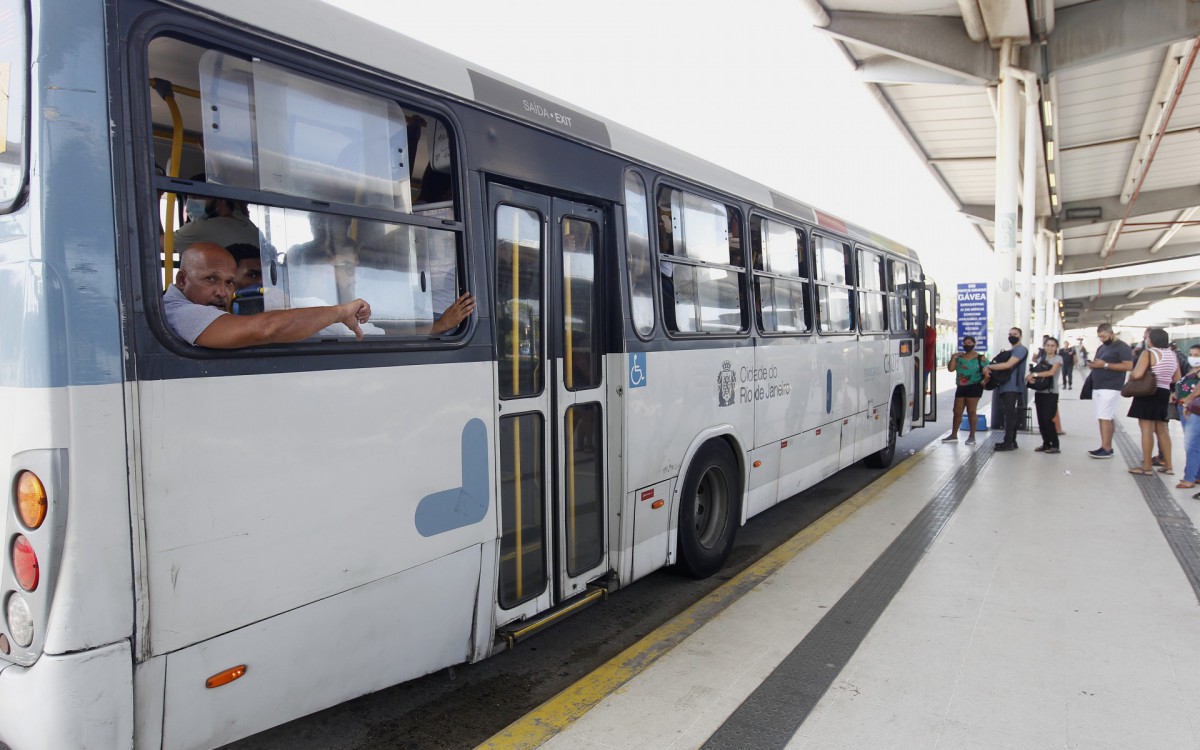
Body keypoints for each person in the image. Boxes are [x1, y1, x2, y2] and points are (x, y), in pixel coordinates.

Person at [165, 243, 373, 348]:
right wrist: (340, 312)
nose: (222, 292)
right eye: (211, 279)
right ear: (182, 280)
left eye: (229, 282)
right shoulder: (179, 312)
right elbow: (267, 329)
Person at [1127, 328, 1180, 475]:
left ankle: (1147, 467)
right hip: (1163, 393)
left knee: (1146, 430)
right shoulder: (1172, 354)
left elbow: (1137, 374)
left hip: (1148, 393)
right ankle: (1168, 466)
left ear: (1151, 340)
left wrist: (1131, 375)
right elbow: (1177, 377)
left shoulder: (1148, 353)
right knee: (1162, 430)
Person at [1085, 323, 1134, 458]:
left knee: (1104, 416)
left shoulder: (1122, 347)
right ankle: (1106, 445)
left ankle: (1105, 448)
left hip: (1111, 386)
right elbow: (1099, 362)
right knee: (1105, 416)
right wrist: (1094, 365)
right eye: (1100, 337)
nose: (1102, 339)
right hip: (1098, 385)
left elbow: (1128, 366)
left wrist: (1105, 365)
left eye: (1104, 336)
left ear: (1112, 333)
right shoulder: (1102, 347)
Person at [984, 326, 1028, 452]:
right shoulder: (1011, 350)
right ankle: (1011, 441)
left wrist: (989, 366)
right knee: (1009, 413)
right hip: (1006, 385)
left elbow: (1008, 365)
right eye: (1010, 334)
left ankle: (1008, 442)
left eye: (1015, 334)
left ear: (1020, 336)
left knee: (1009, 414)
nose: (1012, 336)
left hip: (1012, 386)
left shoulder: (1021, 350)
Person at [173, 196, 262, 250]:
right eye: (189, 198)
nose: (190, 204)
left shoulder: (203, 228)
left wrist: (159, 195)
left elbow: (160, 244)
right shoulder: (245, 222)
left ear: (221, 200)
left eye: (197, 197)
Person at [942, 335, 986, 445]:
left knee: (971, 411)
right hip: (961, 387)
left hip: (974, 386)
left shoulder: (981, 358)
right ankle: (953, 435)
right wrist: (953, 357)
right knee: (957, 411)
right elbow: (951, 369)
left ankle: (972, 436)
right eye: (965, 343)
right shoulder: (960, 358)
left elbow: (988, 370)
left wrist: (984, 381)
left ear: (974, 344)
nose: (967, 345)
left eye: (969, 343)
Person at [1026, 337, 1063, 453]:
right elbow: (1036, 374)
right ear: (1044, 346)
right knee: (1041, 420)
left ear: (1056, 347)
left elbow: (1051, 372)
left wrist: (1034, 375)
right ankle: (1046, 443)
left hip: (1051, 393)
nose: (1050, 348)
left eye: (1053, 345)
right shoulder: (1041, 358)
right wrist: (1031, 378)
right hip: (1040, 392)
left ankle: (1055, 444)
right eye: (1048, 345)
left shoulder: (1058, 358)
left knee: (1048, 419)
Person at [1175, 344, 1200, 490]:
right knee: (1196, 444)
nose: (1193, 358)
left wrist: (1188, 400)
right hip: (1189, 408)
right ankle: (1196, 475)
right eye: (1192, 354)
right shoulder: (1193, 370)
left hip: (1193, 410)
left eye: (1197, 355)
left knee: (1191, 445)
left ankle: (1189, 478)